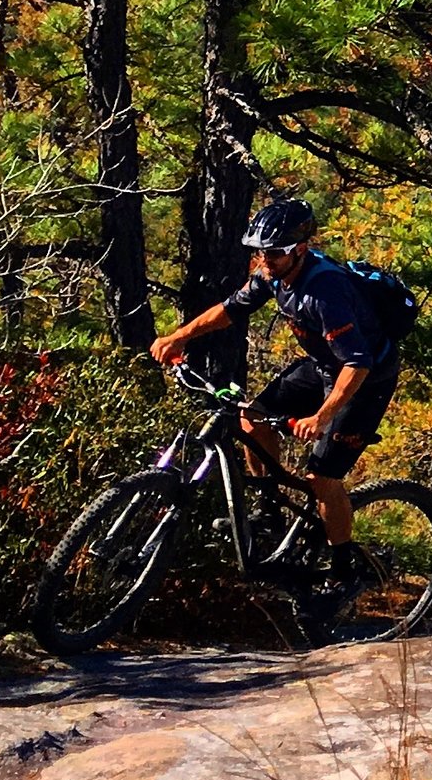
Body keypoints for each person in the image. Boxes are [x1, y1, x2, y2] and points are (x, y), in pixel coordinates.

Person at [151, 195, 406, 600]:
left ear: (299, 250)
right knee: (252, 418)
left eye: (272, 253)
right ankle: (269, 513)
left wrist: (322, 416)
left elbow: (357, 364)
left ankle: (343, 569)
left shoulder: (325, 292)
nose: (263, 261)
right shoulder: (272, 273)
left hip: (364, 380)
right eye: (258, 253)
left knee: (322, 477)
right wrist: (178, 336)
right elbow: (230, 310)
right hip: (324, 366)